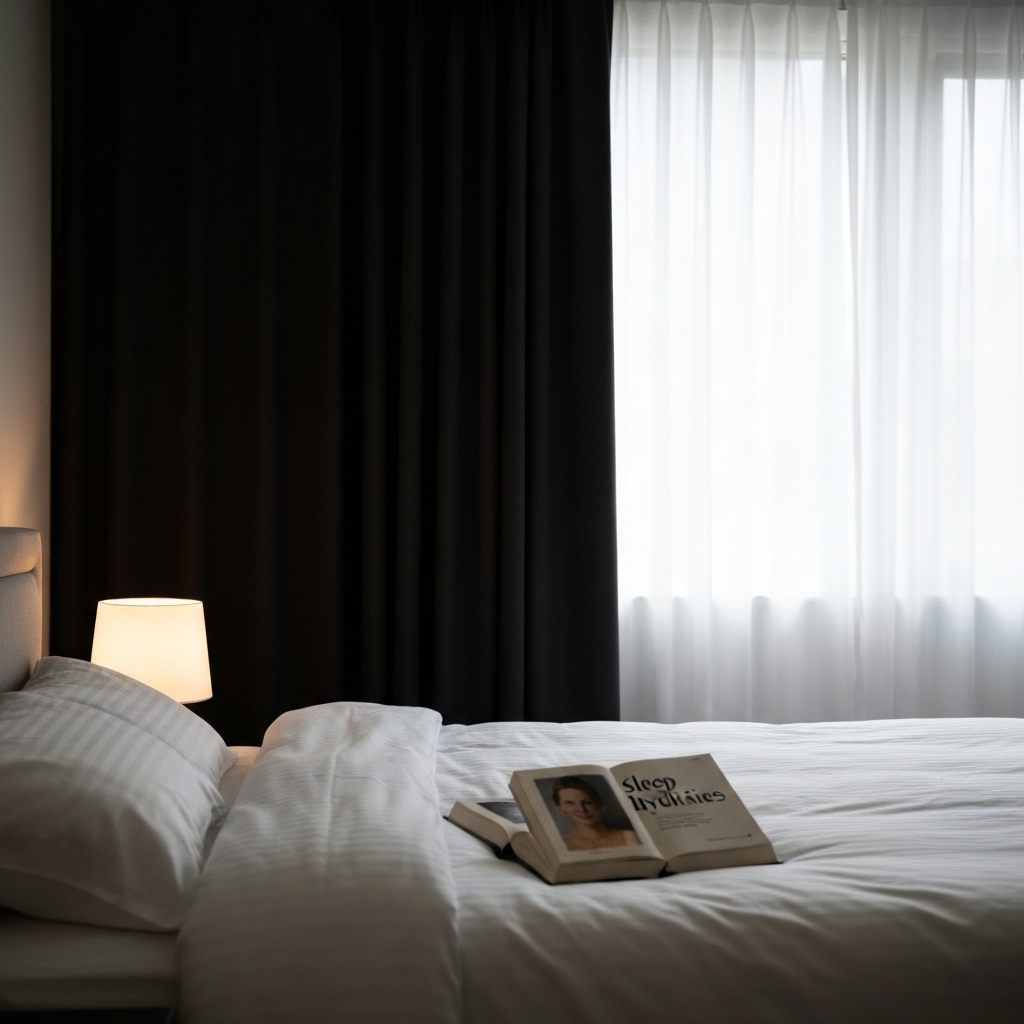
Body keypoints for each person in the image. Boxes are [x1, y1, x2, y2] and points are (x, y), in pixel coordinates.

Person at [551, 776, 640, 851]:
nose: (582, 810)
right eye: (569, 803)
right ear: (560, 808)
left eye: (587, 803)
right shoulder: (561, 844)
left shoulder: (628, 837)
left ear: (600, 804)